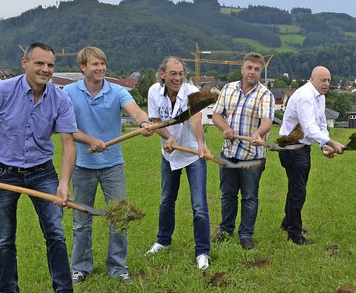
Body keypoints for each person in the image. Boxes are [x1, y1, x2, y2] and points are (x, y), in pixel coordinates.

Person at [0, 42, 76, 292]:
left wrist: (63, 184)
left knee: (56, 234)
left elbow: (68, 143)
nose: (45, 69)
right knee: (5, 239)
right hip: (2, 174)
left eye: (50, 65)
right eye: (39, 63)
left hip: (43, 172)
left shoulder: (60, 98)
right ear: (24, 63)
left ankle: (63, 289)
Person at [64, 46, 152, 284]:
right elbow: (66, 128)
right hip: (82, 166)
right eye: (95, 64)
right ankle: (81, 267)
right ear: (83, 67)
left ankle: (118, 267)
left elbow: (135, 111)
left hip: (113, 166)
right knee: (81, 221)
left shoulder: (117, 91)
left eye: (103, 64)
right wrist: (90, 139)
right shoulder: (69, 92)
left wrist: (144, 123)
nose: (101, 68)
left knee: (119, 218)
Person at [143, 56, 211, 270]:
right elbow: (156, 122)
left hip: (192, 154)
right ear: (162, 74)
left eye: (181, 73)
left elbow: (196, 119)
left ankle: (202, 252)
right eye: (173, 73)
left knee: (199, 205)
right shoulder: (154, 91)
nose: (178, 78)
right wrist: (168, 138)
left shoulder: (191, 91)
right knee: (166, 200)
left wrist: (201, 144)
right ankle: (163, 240)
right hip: (170, 154)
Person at [211, 52, 274, 250]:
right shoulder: (228, 89)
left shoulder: (265, 94)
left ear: (260, 72)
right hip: (229, 153)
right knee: (228, 194)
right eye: (249, 68)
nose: (252, 72)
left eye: (256, 69)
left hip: (252, 157)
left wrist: (258, 134)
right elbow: (216, 115)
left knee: (249, 197)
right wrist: (226, 129)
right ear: (242, 68)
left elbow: (267, 122)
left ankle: (246, 234)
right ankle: (226, 230)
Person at [278, 66, 345, 245]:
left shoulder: (319, 97)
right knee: (298, 191)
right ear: (312, 79)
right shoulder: (306, 96)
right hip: (291, 147)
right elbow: (309, 128)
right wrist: (331, 143)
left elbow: (321, 123)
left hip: (302, 147)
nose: (326, 84)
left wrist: (324, 146)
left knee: (297, 187)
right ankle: (294, 234)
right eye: (323, 80)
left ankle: (288, 222)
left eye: (329, 80)